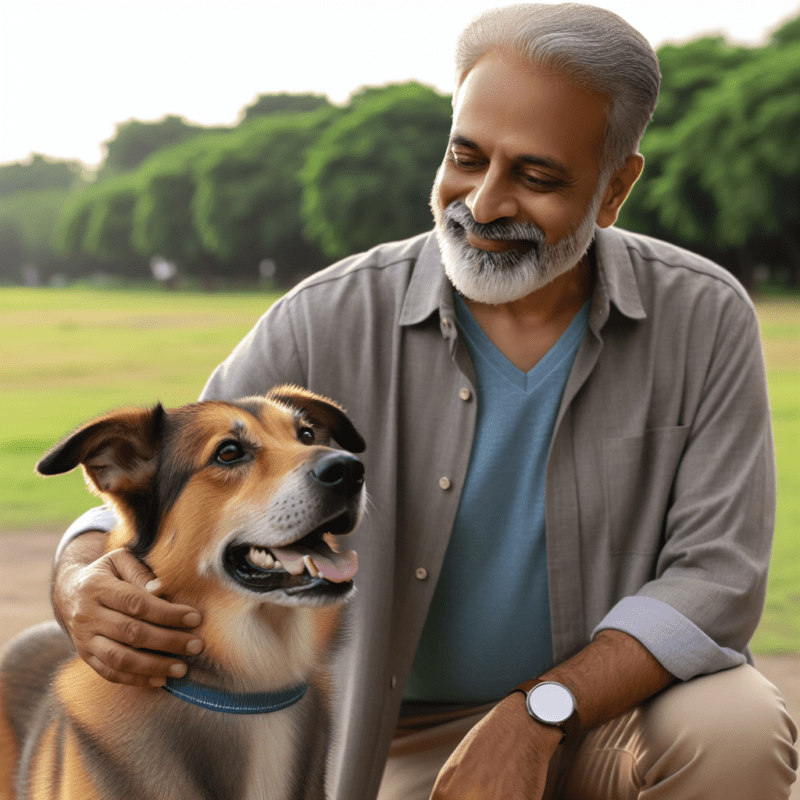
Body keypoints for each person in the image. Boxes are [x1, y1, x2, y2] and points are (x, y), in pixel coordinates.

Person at [50, 3, 797, 798]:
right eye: (466, 157)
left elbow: (716, 579)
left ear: (615, 187)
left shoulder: (704, 316)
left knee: (736, 726)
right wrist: (78, 575)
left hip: (610, 717)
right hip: (391, 734)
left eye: (537, 175)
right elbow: (187, 474)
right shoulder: (328, 314)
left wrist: (539, 714)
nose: (484, 203)